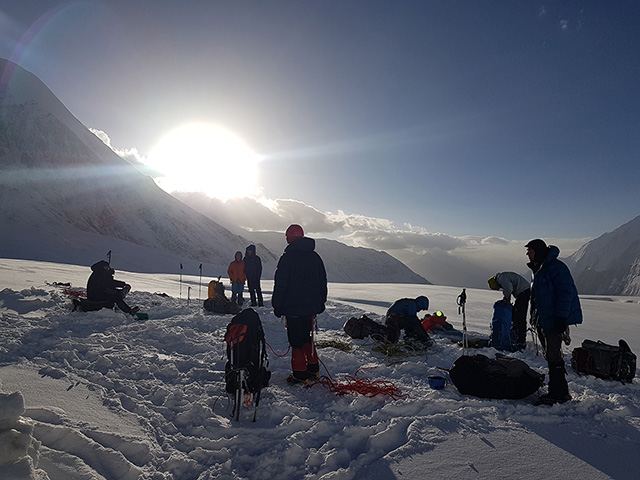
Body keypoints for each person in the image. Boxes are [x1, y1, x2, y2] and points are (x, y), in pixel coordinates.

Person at [525, 239, 583, 405]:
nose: (528, 254)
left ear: (539, 251)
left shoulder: (556, 268)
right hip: (545, 319)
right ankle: (559, 391)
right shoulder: (540, 268)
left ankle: (558, 393)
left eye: (530, 251)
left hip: (554, 319)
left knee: (553, 355)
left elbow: (566, 293)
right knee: (551, 355)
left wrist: (561, 318)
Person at [272, 224, 328, 383]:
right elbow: (322, 281)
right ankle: (313, 369)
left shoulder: (287, 258)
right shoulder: (314, 257)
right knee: (307, 338)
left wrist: (278, 305)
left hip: (293, 307)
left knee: (296, 340)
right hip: (310, 307)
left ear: (290, 238)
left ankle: (300, 374)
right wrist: (320, 302)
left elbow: (281, 284)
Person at [488, 272, 531, 349]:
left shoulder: (501, 278)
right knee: (516, 314)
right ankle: (517, 336)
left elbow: (508, 288)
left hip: (523, 292)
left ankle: (521, 340)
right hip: (523, 291)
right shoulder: (502, 277)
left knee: (520, 316)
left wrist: (506, 297)